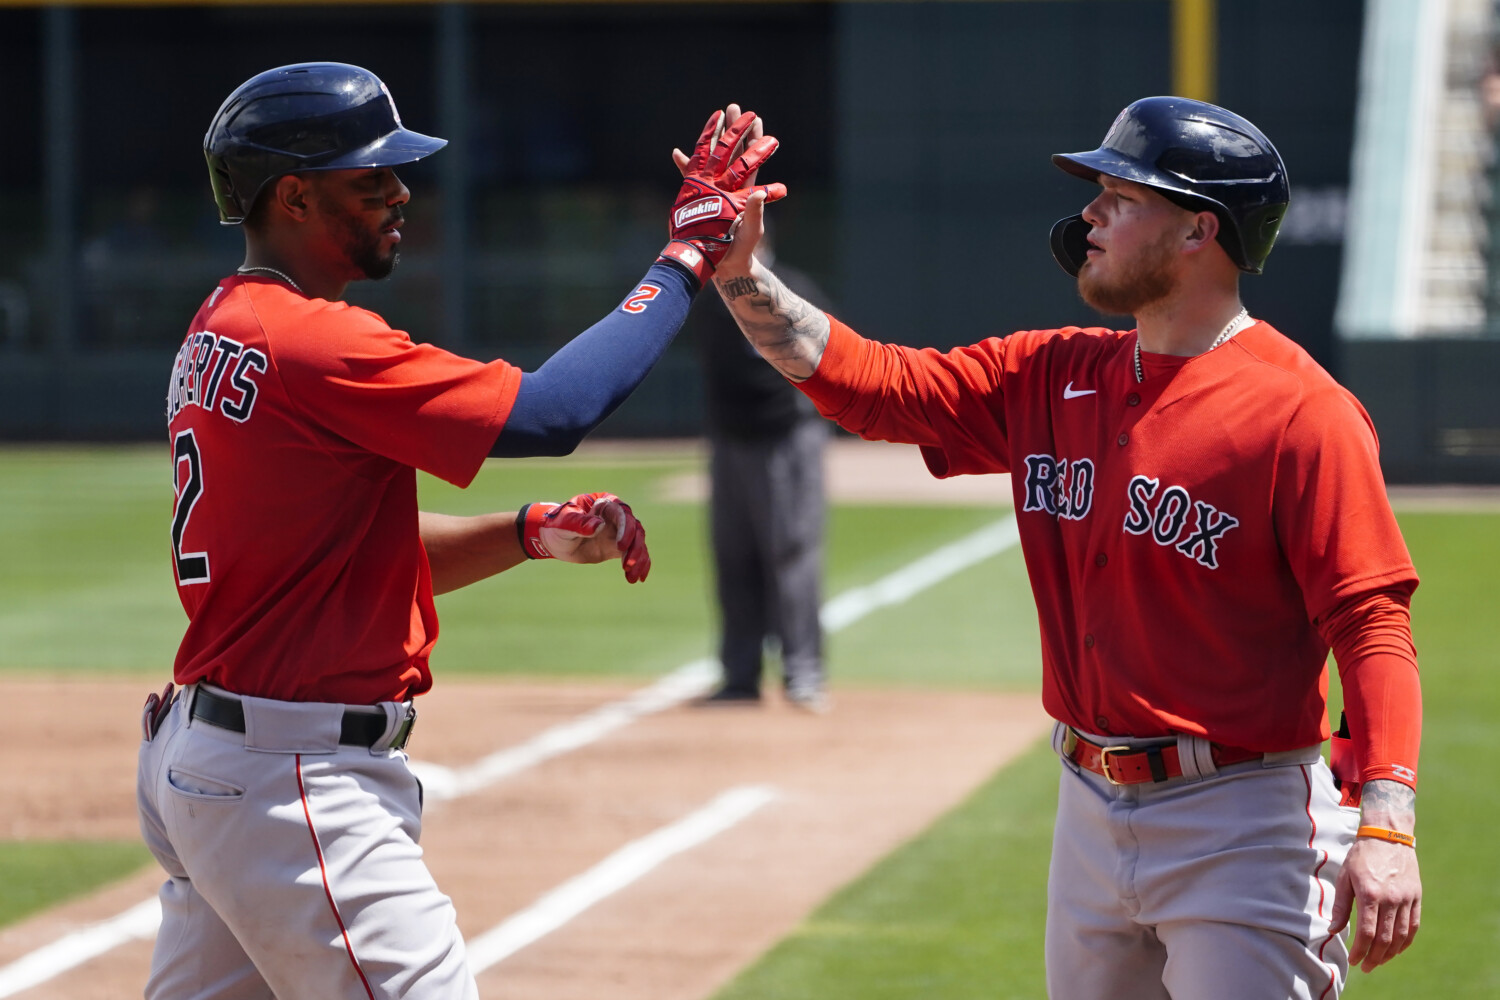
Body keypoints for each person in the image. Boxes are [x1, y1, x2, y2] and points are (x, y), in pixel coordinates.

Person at [709, 96, 1422, 998]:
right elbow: (874, 386)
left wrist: (1388, 823)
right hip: (1087, 802)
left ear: (1200, 229)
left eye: (1121, 196)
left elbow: (1372, 625)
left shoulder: (1303, 415)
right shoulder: (1051, 373)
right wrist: (739, 270)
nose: (1090, 212)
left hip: (1243, 819)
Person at [137, 62, 783, 999]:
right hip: (295, 781)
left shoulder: (223, 326)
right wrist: (683, 260)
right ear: (295, 197)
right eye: (372, 178)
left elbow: (340, 561)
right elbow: (553, 413)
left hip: (219, 759)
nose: (401, 191)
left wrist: (522, 533)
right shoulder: (316, 341)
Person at [690, 221, 833, 712]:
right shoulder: (710, 298)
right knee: (733, 557)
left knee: (791, 555)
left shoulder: (792, 288)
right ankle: (739, 674)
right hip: (731, 442)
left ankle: (804, 674)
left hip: (786, 439)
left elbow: (821, 363)